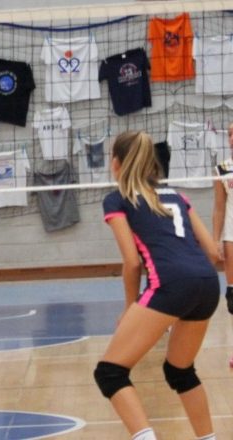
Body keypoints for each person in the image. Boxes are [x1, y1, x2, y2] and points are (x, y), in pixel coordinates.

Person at [94, 131, 220, 440]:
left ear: (116, 163)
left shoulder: (117, 200)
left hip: (170, 284)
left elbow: (131, 262)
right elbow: (212, 252)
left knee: (110, 373)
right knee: (179, 370)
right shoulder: (177, 196)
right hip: (207, 283)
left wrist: (130, 307)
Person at [212, 122, 233, 369]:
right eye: (229, 134)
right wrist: (216, 239)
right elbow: (218, 207)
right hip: (231, 236)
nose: (232, 138)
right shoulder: (222, 169)